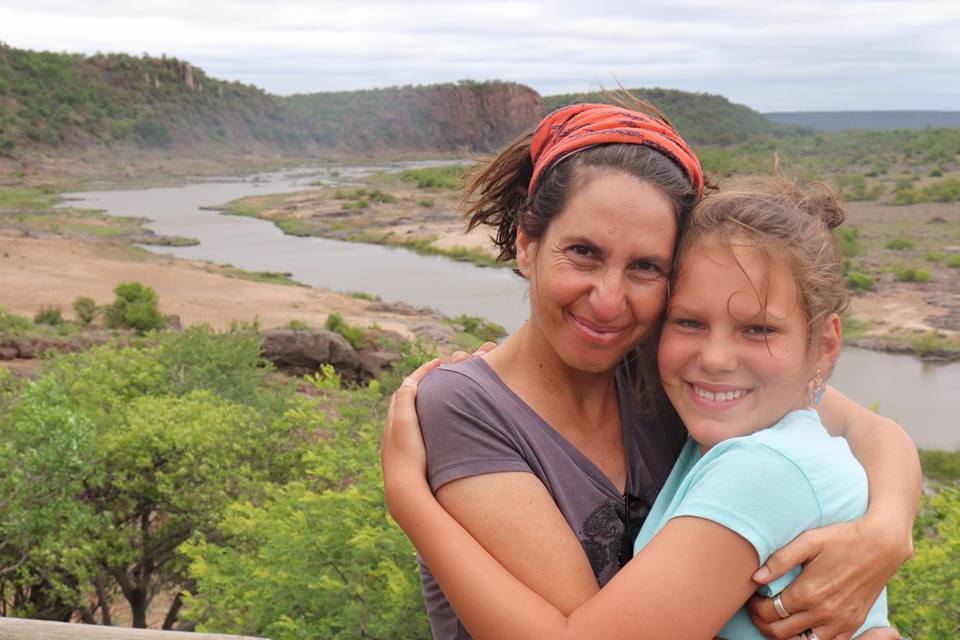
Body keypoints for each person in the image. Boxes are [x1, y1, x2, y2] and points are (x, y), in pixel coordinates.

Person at [384, 101, 920, 639]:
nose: (609, 301)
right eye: (584, 252)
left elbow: (870, 431)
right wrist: (409, 500)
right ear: (528, 245)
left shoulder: (674, 370)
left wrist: (884, 535)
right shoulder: (466, 405)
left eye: (646, 267)